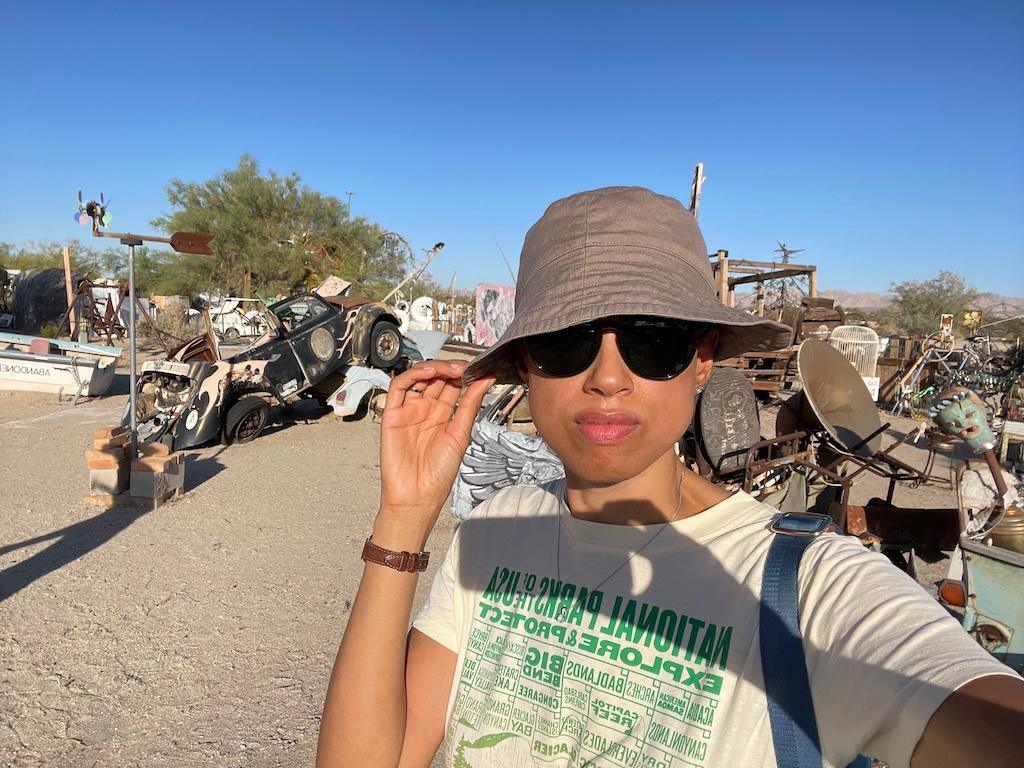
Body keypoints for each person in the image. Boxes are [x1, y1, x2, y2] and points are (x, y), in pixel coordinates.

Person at [317, 187, 1023, 768]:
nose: (608, 377)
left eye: (653, 341)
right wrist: (403, 519)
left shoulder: (812, 586)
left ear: (703, 358)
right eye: (566, 343)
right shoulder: (494, 534)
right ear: (525, 364)